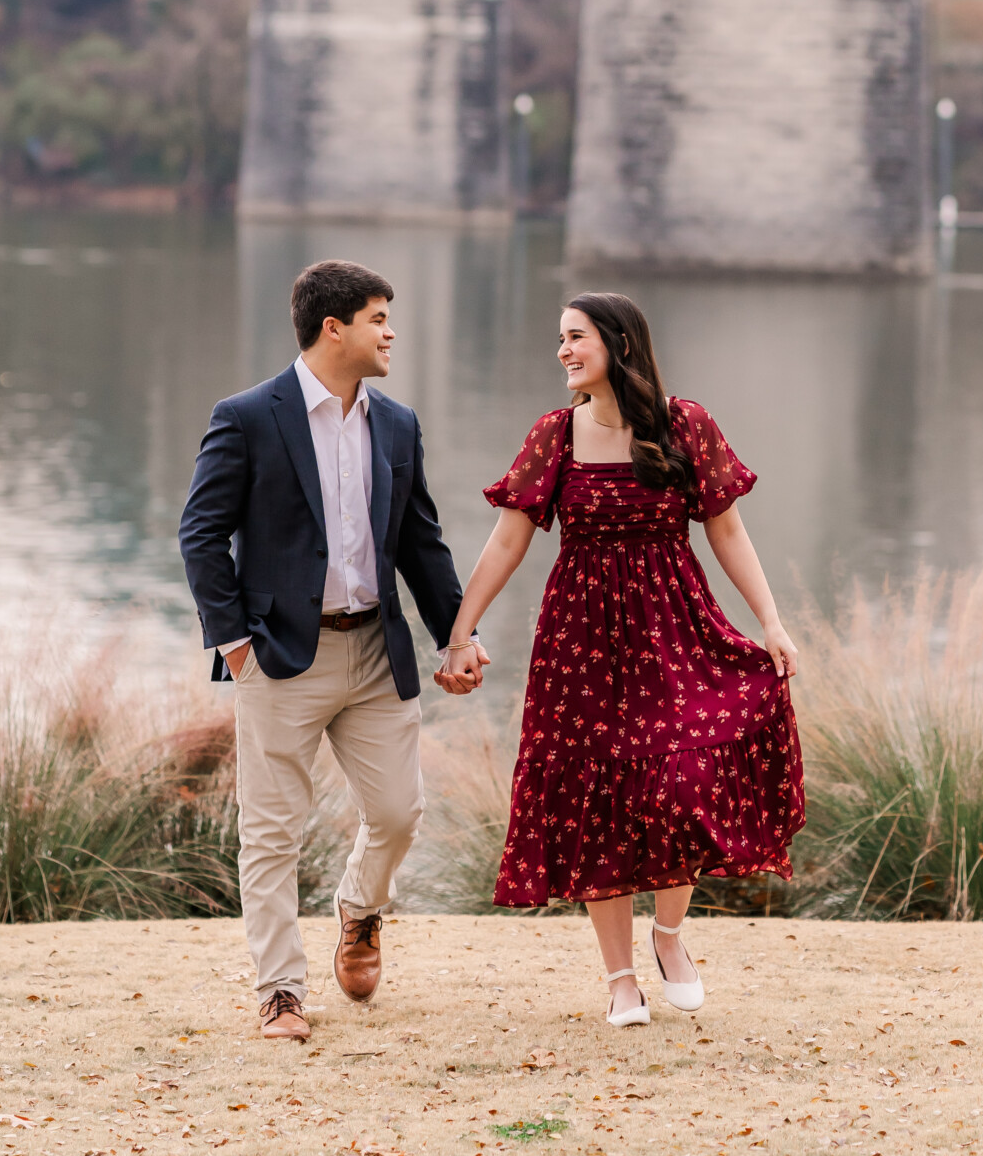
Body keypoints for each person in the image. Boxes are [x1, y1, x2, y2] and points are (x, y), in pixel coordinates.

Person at [442, 290, 803, 1026]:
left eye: (574, 337)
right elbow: (508, 540)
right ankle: (619, 980)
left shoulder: (685, 424)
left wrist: (771, 622)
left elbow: (726, 532)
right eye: (560, 338)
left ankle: (668, 936)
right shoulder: (554, 434)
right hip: (580, 637)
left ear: (618, 344)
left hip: (672, 624)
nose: (563, 351)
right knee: (592, 796)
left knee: (682, 778)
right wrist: (459, 631)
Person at [179, 259, 486, 1043]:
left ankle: (358, 910)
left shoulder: (397, 424)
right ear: (334, 327)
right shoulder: (248, 416)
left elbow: (421, 544)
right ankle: (280, 993)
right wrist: (235, 642)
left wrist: (459, 635)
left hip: (377, 654)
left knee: (397, 811)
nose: (391, 333)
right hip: (281, 655)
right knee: (272, 833)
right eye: (380, 318)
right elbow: (201, 534)